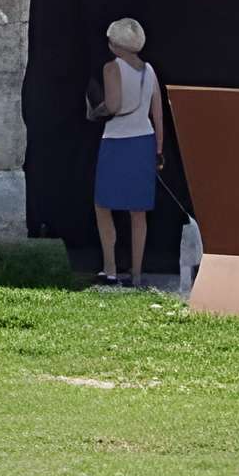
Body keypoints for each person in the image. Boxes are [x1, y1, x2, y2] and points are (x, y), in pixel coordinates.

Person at [85, 17, 166, 288]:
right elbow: (158, 112)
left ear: (116, 45)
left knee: (103, 205)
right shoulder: (149, 70)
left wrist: (94, 111)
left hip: (117, 139)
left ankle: (109, 269)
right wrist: (159, 149)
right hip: (144, 139)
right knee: (138, 211)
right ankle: (137, 273)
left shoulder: (112, 68)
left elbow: (114, 105)